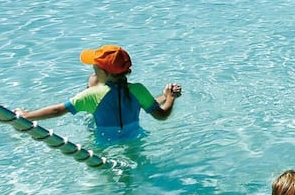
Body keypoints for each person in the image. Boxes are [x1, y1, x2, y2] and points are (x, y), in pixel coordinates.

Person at [14, 45, 181, 142]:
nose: (93, 72)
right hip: (135, 138)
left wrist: (27, 116)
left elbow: (58, 110)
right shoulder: (138, 89)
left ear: (103, 72)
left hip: (104, 143)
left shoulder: (93, 95)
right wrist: (170, 98)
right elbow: (162, 115)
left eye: (95, 69)